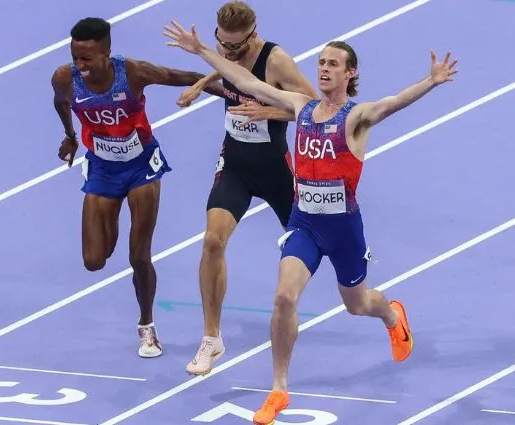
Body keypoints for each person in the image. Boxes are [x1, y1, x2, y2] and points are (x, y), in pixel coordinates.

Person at [163, 20, 457, 424]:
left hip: (343, 230)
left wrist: (431, 81)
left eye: (333, 64)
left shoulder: (357, 117)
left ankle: (391, 315)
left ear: (349, 73)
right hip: (304, 224)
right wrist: (201, 52)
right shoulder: (301, 107)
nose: (324, 69)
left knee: (358, 304)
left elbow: (393, 102)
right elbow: (245, 80)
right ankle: (279, 389)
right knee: (284, 298)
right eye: (321, 62)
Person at [51, 17, 225, 359]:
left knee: (138, 255)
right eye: (75, 57)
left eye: (87, 58)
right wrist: (71, 137)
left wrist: (231, 94)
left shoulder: (132, 73)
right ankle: (111, 216)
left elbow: (185, 78)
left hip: (141, 167)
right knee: (94, 260)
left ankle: (147, 327)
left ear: (107, 52)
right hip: (101, 168)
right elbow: (60, 102)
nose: (80, 65)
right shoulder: (64, 78)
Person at [174, 1, 318, 376]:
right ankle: (211, 338)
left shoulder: (276, 61)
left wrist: (268, 111)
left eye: (237, 48)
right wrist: (201, 84)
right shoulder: (225, 47)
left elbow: (316, 108)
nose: (228, 52)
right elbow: (227, 70)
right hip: (235, 164)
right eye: (222, 44)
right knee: (212, 241)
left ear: (253, 36)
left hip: (275, 169)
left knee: (320, 244)